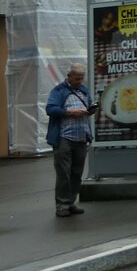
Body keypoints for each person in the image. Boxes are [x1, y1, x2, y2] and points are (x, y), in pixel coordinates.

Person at [45, 62, 96, 217]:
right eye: (76, 78)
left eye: (81, 78)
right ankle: (62, 205)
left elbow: (88, 109)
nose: (79, 81)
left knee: (76, 172)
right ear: (69, 76)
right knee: (63, 173)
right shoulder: (59, 91)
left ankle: (71, 202)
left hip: (81, 137)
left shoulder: (84, 91)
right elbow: (50, 109)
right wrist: (69, 112)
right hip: (64, 137)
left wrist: (91, 110)